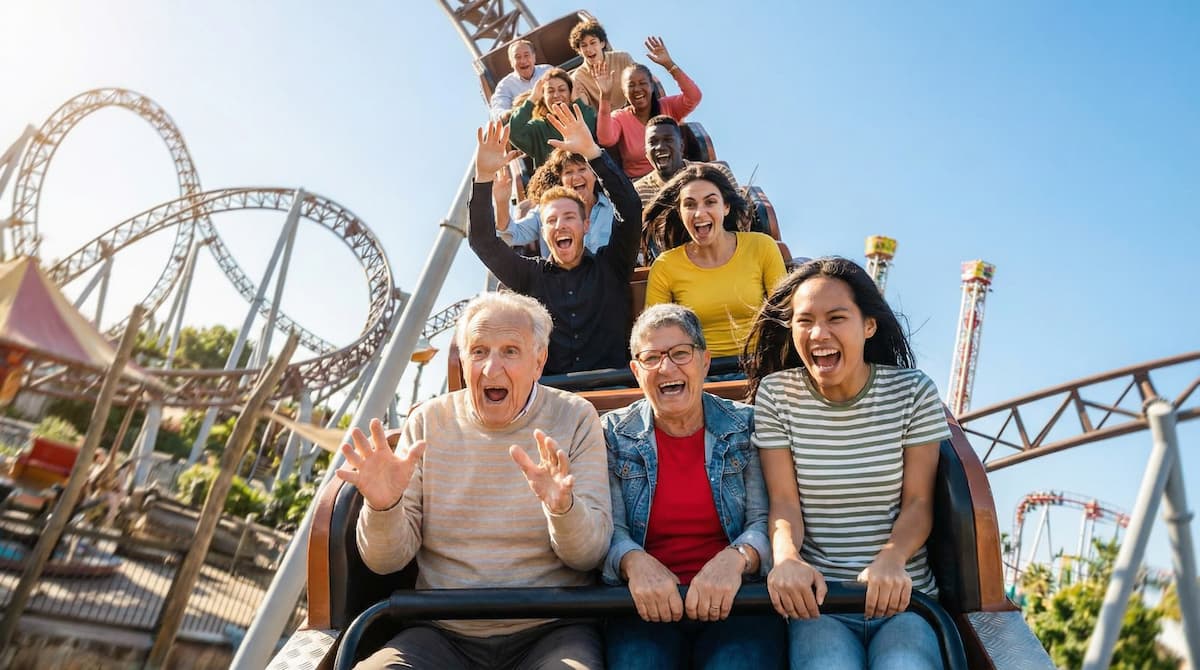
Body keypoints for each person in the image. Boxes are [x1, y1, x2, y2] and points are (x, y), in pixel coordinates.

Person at [338, 291, 613, 670]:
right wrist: (383, 506)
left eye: (510, 352)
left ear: (539, 360)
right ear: (463, 359)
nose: (490, 369)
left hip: (551, 628)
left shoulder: (576, 418)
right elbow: (386, 562)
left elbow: (590, 553)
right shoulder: (428, 421)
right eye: (479, 351)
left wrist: (562, 509)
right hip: (441, 629)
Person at [744, 257, 952, 670]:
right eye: (805, 321)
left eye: (836, 317)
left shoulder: (912, 392)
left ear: (868, 326)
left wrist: (891, 560)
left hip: (903, 597)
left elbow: (918, 504)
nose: (819, 334)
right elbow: (784, 504)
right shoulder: (777, 395)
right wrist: (786, 559)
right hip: (821, 600)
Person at [602, 304, 786, 669]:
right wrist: (633, 561)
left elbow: (765, 519)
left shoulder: (747, 426)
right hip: (642, 607)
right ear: (636, 372)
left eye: (680, 353)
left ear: (704, 362)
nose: (667, 368)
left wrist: (736, 560)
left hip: (739, 602)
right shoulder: (611, 434)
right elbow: (610, 528)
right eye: (651, 358)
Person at [469, 103, 642, 375]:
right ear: (544, 231)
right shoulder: (531, 276)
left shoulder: (612, 265)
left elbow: (630, 210)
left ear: (586, 225)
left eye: (569, 218)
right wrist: (483, 178)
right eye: (551, 220)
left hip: (615, 388)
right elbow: (483, 241)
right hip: (553, 398)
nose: (560, 225)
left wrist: (594, 154)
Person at [643, 165, 786, 358]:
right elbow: (656, 334)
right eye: (690, 205)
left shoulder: (761, 247)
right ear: (679, 211)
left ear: (725, 207)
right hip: (699, 373)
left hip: (760, 364)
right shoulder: (665, 266)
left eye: (710, 202)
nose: (699, 213)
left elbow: (784, 315)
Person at [595, 37, 701, 179]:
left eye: (642, 83)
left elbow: (694, 97)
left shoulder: (667, 106)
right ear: (624, 91)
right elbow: (605, 139)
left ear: (651, 86)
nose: (637, 89)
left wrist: (670, 65)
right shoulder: (620, 117)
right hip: (642, 183)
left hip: (676, 175)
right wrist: (605, 96)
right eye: (631, 85)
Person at [493, 148, 616, 256]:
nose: (576, 177)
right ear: (561, 180)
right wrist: (501, 202)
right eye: (569, 172)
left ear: (595, 174)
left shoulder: (613, 209)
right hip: (561, 281)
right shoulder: (546, 212)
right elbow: (509, 235)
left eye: (582, 169)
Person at [634, 115, 739, 206]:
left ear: (681, 146)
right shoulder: (637, 192)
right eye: (653, 142)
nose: (660, 147)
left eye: (668, 140)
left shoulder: (719, 174)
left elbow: (742, 218)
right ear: (646, 153)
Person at [507, 68, 598, 168]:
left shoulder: (584, 114)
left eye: (562, 90)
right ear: (543, 97)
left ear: (570, 93)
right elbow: (514, 132)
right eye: (550, 91)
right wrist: (533, 98)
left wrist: (576, 99)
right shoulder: (538, 128)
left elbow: (590, 124)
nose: (556, 95)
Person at [568, 18, 634, 111]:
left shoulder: (623, 58)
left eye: (593, 43)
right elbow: (585, 109)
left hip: (633, 109)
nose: (589, 49)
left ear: (602, 43)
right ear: (579, 51)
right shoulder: (577, 78)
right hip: (606, 121)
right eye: (584, 45)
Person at [489, 40, 553, 121]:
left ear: (534, 57)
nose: (523, 61)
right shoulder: (504, 85)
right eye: (517, 57)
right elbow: (498, 111)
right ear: (511, 62)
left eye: (526, 55)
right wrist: (511, 114)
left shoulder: (548, 70)